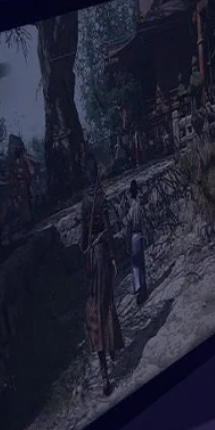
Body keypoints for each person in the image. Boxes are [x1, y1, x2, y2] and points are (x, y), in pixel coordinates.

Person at [80, 161, 124, 397]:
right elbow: (107, 226)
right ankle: (111, 349)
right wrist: (115, 257)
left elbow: (81, 237)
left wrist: (83, 260)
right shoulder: (100, 197)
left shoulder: (84, 201)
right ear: (96, 175)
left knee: (94, 311)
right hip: (102, 256)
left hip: (90, 260)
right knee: (107, 306)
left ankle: (104, 371)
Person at [126, 179, 148, 302]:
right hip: (140, 235)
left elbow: (128, 226)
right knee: (142, 264)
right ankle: (144, 290)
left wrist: (127, 242)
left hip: (134, 236)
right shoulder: (139, 207)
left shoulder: (131, 209)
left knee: (135, 266)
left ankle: (139, 290)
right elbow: (143, 223)